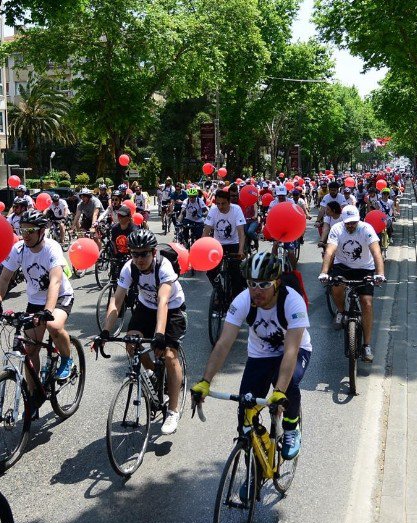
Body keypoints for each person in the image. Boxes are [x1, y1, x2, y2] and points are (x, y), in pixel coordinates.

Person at [191, 252, 311, 460]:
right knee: (245, 413)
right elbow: (223, 344)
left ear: (277, 283)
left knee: (286, 383)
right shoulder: (242, 301)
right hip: (260, 356)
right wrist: (205, 381)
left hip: (295, 350)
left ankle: (292, 427)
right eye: (252, 283)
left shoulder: (292, 301)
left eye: (264, 284)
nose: (257, 290)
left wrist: (279, 391)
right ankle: (253, 473)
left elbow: (291, 351)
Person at [99, 229, 187, 434]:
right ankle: (154, 372)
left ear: (154, 252)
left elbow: (163, 301)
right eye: (134, 254)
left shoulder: (163, 266)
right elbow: (117, 299)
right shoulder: (129, 268)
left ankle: (172, 410)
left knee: (169, 354)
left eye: (144, 254)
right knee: (131, 344)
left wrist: (159, 336)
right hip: (146, 307)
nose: (139, 259)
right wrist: (105, 331)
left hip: (172, 309)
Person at [0, 210, 76, 382]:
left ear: (41, 231)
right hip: (35, 301)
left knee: (53, 326)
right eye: (22, 230)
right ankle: (33, 398)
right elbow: (4, 279)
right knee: (29, 350)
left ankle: (67, 359)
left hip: (59, 296)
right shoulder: (19, 249)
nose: (25, 235)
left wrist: (48, 311)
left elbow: (55, 282)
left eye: (30, 231)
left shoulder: (52, 248)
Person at [318, 206, 385, 361]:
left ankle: (366, 346)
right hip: (343, 266)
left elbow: (376, 251)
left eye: (353, 223)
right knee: (336, 286)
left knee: (366, 303)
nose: (350, 226)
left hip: (365, 268)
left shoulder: (366, 229)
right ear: (343, 220)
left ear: (358, 219)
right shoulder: (336, 229)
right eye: (348, 223)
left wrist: (380, 274)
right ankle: (341, 311)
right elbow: (330, 251)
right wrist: (324, 272)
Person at [202, 188, 247, 301]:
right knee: (211, 272)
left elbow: (241, 233)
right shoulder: (213, 210)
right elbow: (206, 231)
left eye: (223, 204)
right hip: (217, 245)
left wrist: (240, 250)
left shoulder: (236, 209)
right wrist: (202, 249)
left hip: (234, 244)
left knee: (235, 274)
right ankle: (219, 293)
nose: (220, 206)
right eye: (218, 204)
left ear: (229, 202)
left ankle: (236, 301)